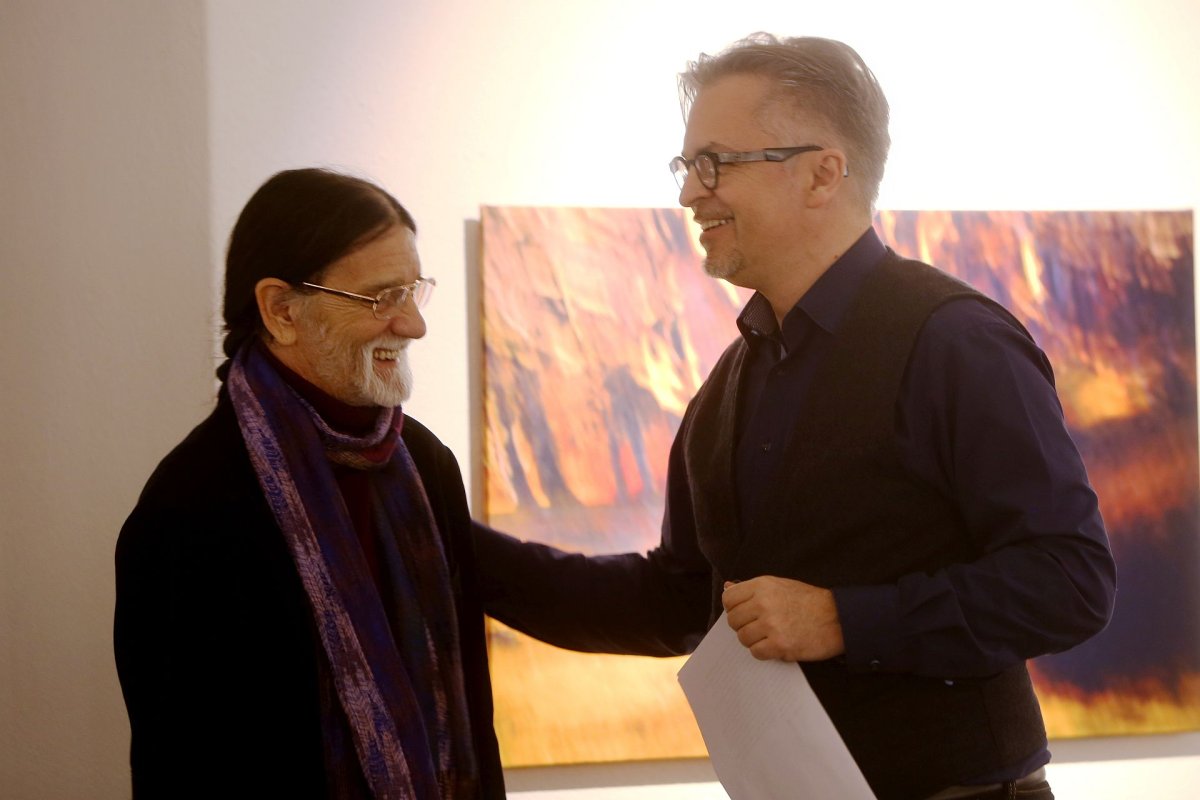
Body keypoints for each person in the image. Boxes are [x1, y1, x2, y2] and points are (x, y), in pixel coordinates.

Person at [474, 34, 1116, 800]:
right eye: (687, 166)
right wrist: (450, 545)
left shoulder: (956, 341)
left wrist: (845, 620)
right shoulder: (728, 384)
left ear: (822, 173)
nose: (690, 194)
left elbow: (1070, 580)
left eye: (717, 163)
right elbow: (680, 601)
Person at [114, 168, 504, 798]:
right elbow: (180, 762)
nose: (413, 325)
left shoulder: (425, 463)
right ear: (280, 310)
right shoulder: (192, 503)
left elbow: (473, 722)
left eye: (412, 291)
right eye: (381, 298)